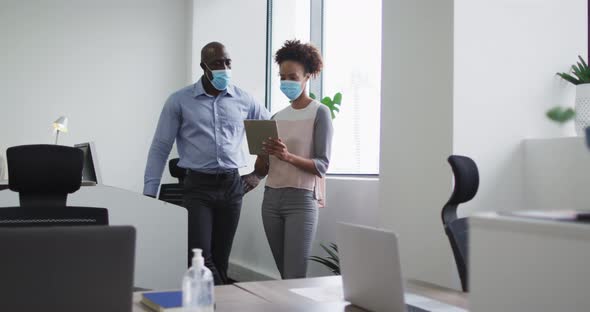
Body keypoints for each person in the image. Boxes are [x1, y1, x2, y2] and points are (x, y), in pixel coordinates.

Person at [143, 42, 270, 285]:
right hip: (198, 187)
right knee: (199, 257)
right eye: (216, 63)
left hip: (233, 186)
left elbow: (268, 137)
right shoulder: (179, 101)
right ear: (203, 67)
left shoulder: (244, 99)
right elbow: (160, 147)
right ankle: (221, 302)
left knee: (221, 260)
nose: (224, 67)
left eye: (227, 62)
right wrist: (150, 191)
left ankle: (212, 304)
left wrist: (258, 174)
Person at [253, 40, 333, 279]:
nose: (286, 82)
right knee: (284, 276)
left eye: (292, 76)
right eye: (282, 77)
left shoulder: (320, 112)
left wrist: (287, 156)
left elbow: (322, 165)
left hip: (301, 199)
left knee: (295, 276)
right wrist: (262, 152)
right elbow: (261, 170)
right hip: (271, 199)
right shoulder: (276, 116)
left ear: (307, 76)